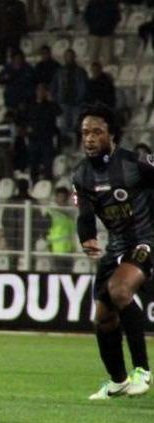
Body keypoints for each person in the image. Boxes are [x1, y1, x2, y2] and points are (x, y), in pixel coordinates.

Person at [72, 103, 151, 399]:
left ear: (112, 135)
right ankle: (118, 381)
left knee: (120, 291)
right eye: (85, 133)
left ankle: (142, 370)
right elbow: (84, 215)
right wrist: (88, 237)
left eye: (97, 132)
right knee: (103, 318)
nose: (90, 138)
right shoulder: (81, 174)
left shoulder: (135, 164)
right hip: (115, 246)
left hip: (145, 240)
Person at [25, 83, 63, 181]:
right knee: (33, 165)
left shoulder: (50, 105)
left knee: (48, 164)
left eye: (43, 91)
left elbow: (59, 112)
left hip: (47, 139)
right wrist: (27, 129)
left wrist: (51, 100)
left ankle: (47, 183)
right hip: (34, 139)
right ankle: (34, 183)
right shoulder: (31, 105)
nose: (40, 93)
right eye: (39, 90)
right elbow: (24, 118)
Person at [51, 49, 88, 141]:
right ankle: (65, 144)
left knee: (76, 126)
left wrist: (81, 98)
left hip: (77, 103)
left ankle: (75, 145)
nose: (69, 58)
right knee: (64, 126)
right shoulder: (60, 71)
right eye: (67, 56)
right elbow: (54, 86)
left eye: (71, 56)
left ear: (74, 57)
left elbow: (85, 87)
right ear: (65, 57)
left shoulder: (80, 71)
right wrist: (56, 98)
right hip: (63, 102)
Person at [83, 0, 121, 65]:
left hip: (107, 34)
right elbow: (86, 16)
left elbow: (117, 17)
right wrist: (92, 26)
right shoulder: (92, 2)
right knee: (93, 57)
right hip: (94, 33)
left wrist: (111, 27)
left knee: (108, 58)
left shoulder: (112, 3)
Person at [0, 0, 28, 65]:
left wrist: (22, 31)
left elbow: (23, 20)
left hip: (14, 35)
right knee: (2, 57)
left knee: (15, 56)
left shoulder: (19, 5)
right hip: (2, 35)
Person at [45, 186, 75, 273]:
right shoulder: (51, 212)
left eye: (64, 197)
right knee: (58, 273)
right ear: (56, 197)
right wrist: (49, 245)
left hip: (69, 249)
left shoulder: (71, 213)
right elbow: (45, 231)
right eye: (60, 197)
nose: (62, 199)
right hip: (56, 249)